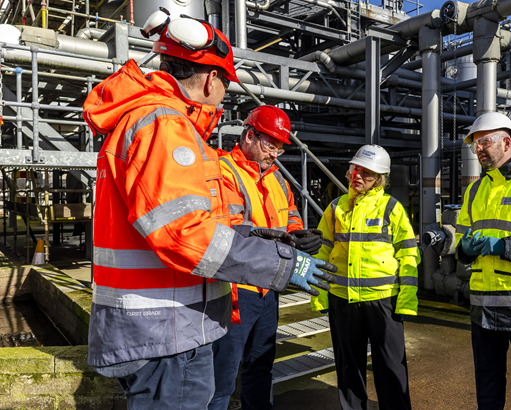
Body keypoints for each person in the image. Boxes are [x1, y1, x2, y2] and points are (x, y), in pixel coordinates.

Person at [83, 12, 335, 408]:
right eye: (226, 82)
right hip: (166, 329)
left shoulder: (156, 122)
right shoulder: (164, 125)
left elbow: (203, 224)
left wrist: (280, 241)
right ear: (210, 79)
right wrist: (282, 264)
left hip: (169, 324)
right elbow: (186, 233)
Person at [210, 105, 323, 410]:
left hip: (268, 290)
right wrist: (285, 243)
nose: (275, 154)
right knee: (221, 379)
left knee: (261, 369)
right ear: (249, 136)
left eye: (280, 149)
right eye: (270, 146)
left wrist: (300, 236)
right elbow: (229, 234)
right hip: (233, 292)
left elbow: (290, 217)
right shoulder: (223, 172)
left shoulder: (277, 180)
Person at [310, 145, 419, 410]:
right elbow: (322, 252)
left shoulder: (391, 208)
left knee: (391, 367)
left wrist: (406, 300)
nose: (358, 176)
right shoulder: (335, 208)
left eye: (367, 173)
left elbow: (408, 255)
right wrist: (320, 293)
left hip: (383, 301)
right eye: (355, 169)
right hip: (342, 300)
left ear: (379, 178)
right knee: (348, 366)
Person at [454, 112, 511, 410]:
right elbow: (460, 244)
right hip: (482, 306)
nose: (479, 149)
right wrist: (465, 250)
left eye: (485, 142)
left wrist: (501, 246)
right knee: (488, 386)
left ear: (507, 142)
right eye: (475, 145)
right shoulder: (474, 192)